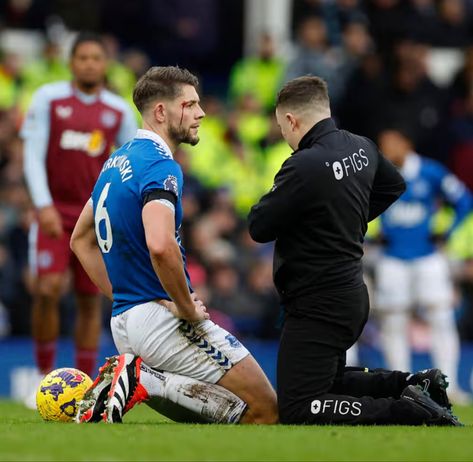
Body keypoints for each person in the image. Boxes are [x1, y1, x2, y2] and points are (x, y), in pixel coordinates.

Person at [247, 76, 461, 426]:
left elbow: (258, 226)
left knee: (299, 406)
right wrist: (349, 223)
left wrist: (332, 222)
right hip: (348, 291)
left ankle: (407, 411)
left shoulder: (303, 164)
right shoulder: (361, 147)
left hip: (318, 298)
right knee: (326, 382)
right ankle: (412, 383)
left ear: (290, 120)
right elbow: (394, 185)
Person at [70, 66, 278, 424]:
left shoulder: (114, 162)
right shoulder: (158, 164)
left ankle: (142, 380)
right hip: (162, 321)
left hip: (126, 323)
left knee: (239, 415)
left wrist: (122, 299)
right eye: (190, 105)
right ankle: (145, 380)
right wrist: (185, 306)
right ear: (162, 112)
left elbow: (80, 240)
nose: (201, 113)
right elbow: (161, 245)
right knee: (267, 409)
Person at [20, 32, 138, 396]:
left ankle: (85, 385)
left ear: (105, 65)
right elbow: (33, 155)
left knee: (91, 298)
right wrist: (42, 205)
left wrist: (119, 210)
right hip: (54, 210)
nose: (89, 64)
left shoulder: (117, 110)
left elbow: (130, 161)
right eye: (82, 58)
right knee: (47, 290)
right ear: (72, 63)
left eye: (95, 58)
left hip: (93, 215)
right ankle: (44, 377)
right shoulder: (49, 99)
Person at [374, 127, 472, 404]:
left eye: (391, 143)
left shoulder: (431, 172)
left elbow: (463, 200)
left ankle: (449, 386)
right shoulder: (379, 175)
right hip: (391, 258)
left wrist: (447, 231)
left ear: (406, 142)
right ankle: (401, 386)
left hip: (428, 257)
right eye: (383, 144)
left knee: (440, 318)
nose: (387, 150)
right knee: (393, 322)